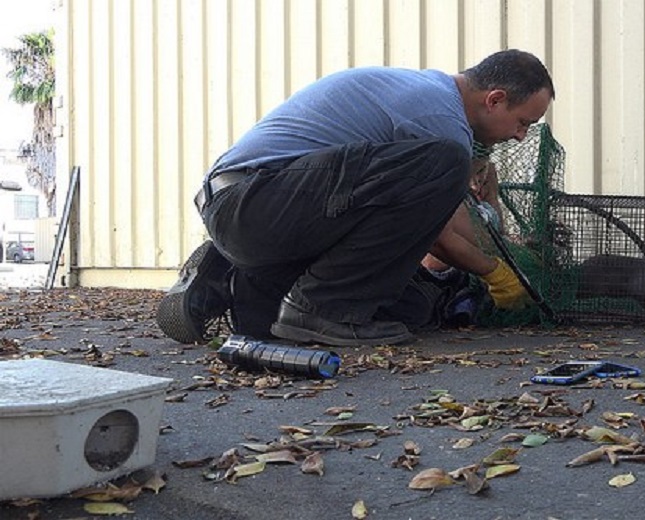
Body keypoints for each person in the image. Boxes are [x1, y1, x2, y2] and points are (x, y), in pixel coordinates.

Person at [156, 49, 555, 347]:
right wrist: (495, 271)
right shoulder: (440, 121)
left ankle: (230, 281)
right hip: (252, 202)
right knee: (447, 162)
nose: (521, 135)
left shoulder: (431, 98)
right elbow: (442, 235)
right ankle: (321, 310)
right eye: (523, 122)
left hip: (273, 216)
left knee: (413, 308)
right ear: (495, 99)